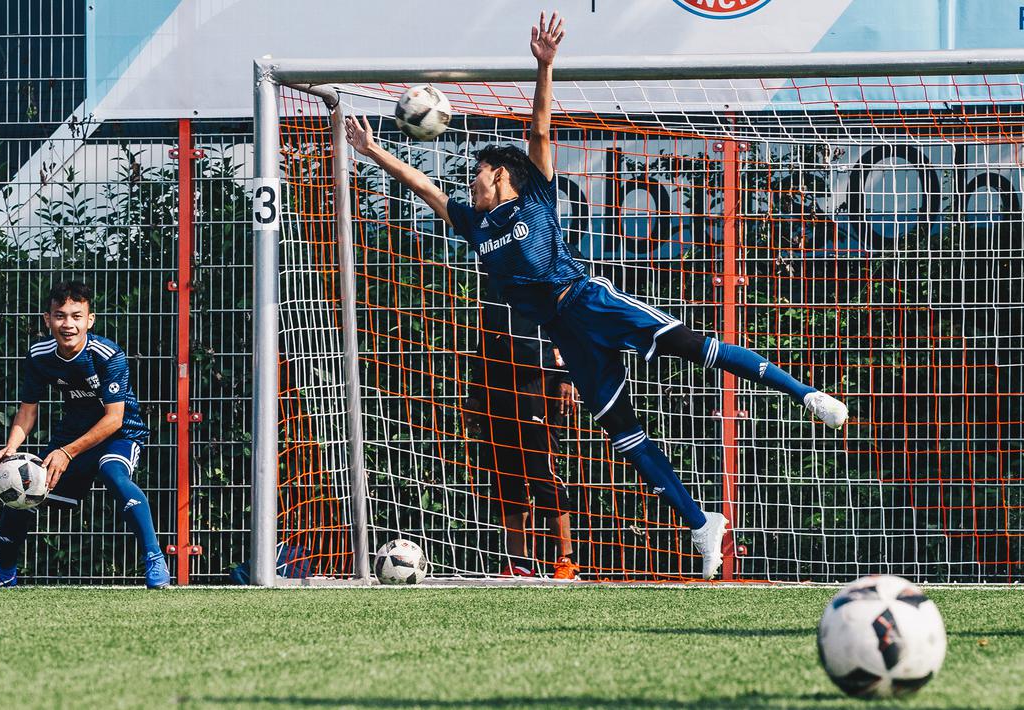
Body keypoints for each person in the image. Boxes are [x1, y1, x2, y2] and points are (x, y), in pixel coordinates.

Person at [344, 12, 848, 579]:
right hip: (565, 334)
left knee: (697, 349)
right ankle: (702, 523)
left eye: (479, 172)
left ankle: (806, 394)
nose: (472, 181)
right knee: (625, 436)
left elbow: (539, 128)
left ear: (502, 175)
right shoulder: (474, 224)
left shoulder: (534, 196)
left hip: (589, 301)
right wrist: (371, 149)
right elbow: (422, 185)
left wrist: (544, 65)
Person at [0, 281, 170, 588]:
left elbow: (114, 419)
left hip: (120, 434)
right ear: (47, 319)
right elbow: (27, 411)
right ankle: (5, 573)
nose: (68, 324)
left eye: (77, 316)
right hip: (73, 435)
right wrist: (10, 449)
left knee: (113, 473)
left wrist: (67, 452)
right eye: (60, 316)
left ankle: (154, 559)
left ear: (90, 320)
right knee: (21, 482)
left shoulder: (107, 355)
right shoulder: (39, 355)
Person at [466, 299, 580, 580]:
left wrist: (568, 375)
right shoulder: (494, 283)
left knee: (542, 471)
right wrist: (475, 393)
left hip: (538, 378)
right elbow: (485, 338)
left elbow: (571, 322)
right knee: (505, 475)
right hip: (495, 383)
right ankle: (519, 563)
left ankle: (566, 560)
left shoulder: (547, 279)